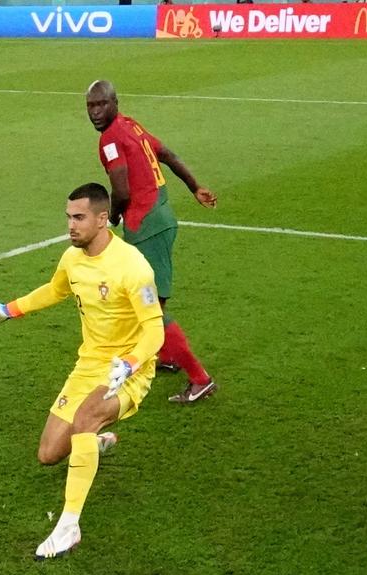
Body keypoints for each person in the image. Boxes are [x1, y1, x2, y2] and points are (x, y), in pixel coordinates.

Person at [0, 184, 164, 559]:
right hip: (89, 365)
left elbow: (154, 328)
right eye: (68, 217)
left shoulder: (133, 266)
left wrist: (131, 362)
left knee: (87, 417)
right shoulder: (72, 259)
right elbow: (54, 291)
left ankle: (68, 525)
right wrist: (9, 309)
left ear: (102, 219)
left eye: (79, 218)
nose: (70, 226)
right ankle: (95, 442)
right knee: (48, 454)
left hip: (128, 369)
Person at [86, 79, 219, 405]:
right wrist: (195, 187)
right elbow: (167, 154)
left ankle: (200, 379)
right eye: (90, 106)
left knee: (150, 310)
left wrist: (112, 218)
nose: (96, 112)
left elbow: (122, 192)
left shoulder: (110, 140)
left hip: (146, 227)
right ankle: (166, 353)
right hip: (162, 217)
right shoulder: (131, 124)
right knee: (149, 301)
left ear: (115, 102)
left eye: (101, 104)